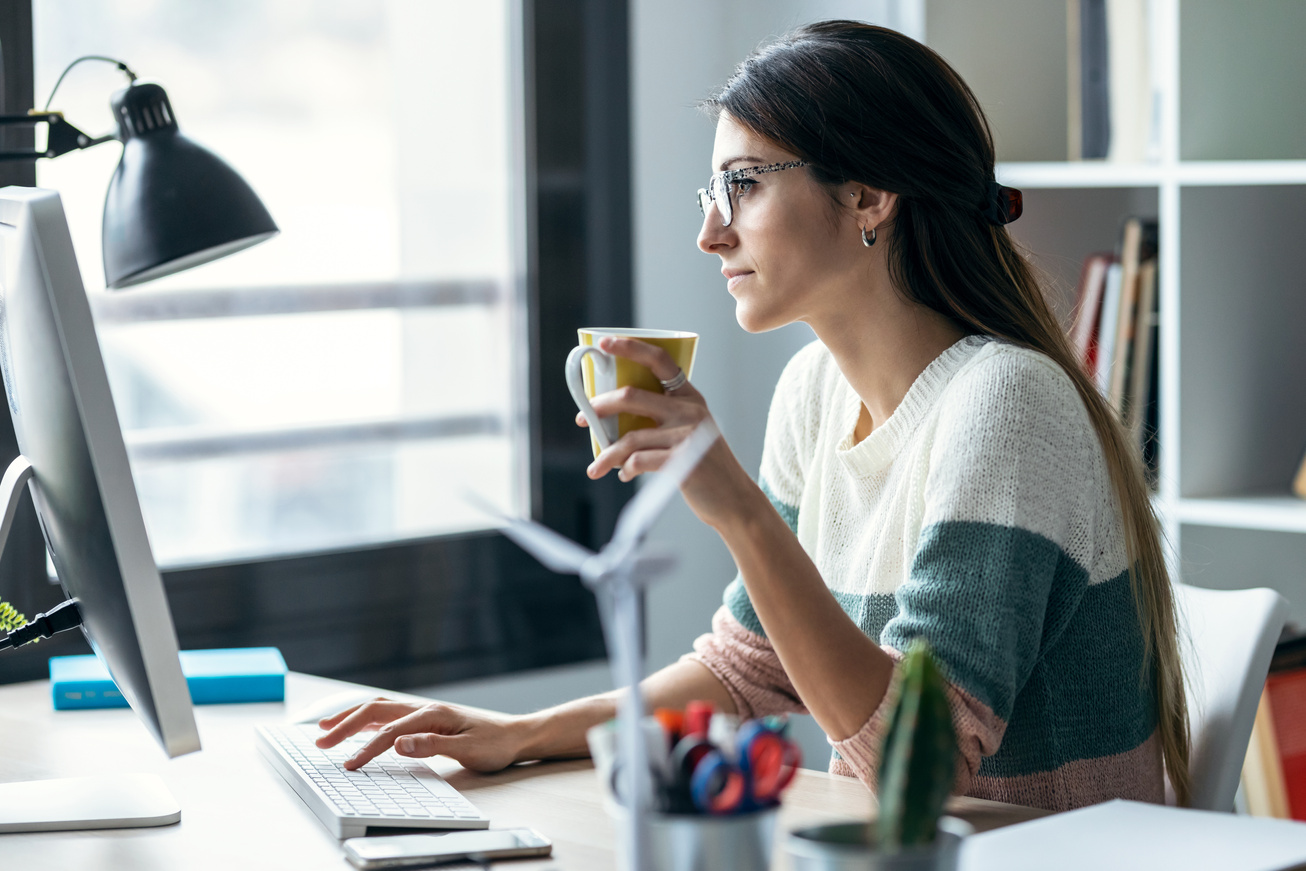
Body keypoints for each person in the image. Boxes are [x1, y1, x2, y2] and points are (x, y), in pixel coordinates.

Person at [316, 20, 1190, 811]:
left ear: (868, 197)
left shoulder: (1006, 403)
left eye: (742, 184)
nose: (710, 232)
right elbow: (749, 666)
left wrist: (733, 504)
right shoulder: (813, 391)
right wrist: (521, 732)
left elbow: (918, 767)